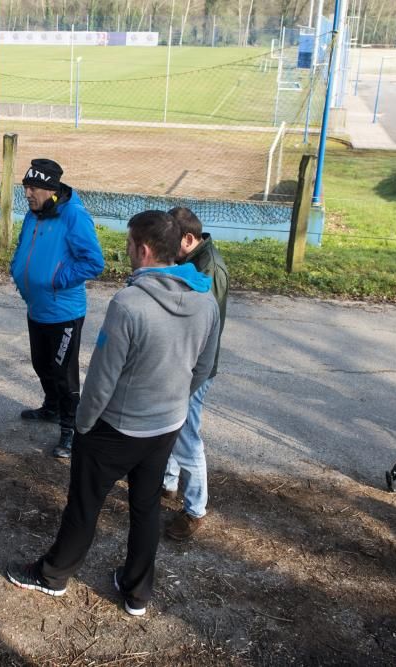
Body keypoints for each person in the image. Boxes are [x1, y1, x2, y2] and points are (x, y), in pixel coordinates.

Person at [6, 210, 220, 617]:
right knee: (145, 507)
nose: (125, 252)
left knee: (84, 504)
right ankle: (137, 592)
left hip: (116, 428)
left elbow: (103, 378)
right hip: (166, 426)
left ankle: (53, 575)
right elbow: (204, 367)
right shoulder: (205, 299)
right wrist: (175, 399)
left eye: (127, 245)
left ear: (142, 249)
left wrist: (83, 425)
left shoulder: (129, 303)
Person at [9, 158, 105, 458]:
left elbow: (94, 262)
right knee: (41, 363)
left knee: (63, 373)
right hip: (36, 307)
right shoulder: (34, 213)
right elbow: (25, 246)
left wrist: (53, 279)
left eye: (33, 188)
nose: (28, 194)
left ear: (51, 190)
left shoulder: (74, 216)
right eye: (26, 187)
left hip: (63, 312)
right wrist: (18, 270)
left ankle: (70, 428)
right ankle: (51, 408)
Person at [162, 206, 229, 541]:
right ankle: (169, 483)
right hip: (187, 363)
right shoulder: (194, 260)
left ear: (188, 239)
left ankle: (195, 510)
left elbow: (202, 326)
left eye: (171, 242)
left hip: (195, 367)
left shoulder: (209, 270)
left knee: (187, 434)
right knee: (177, 426)